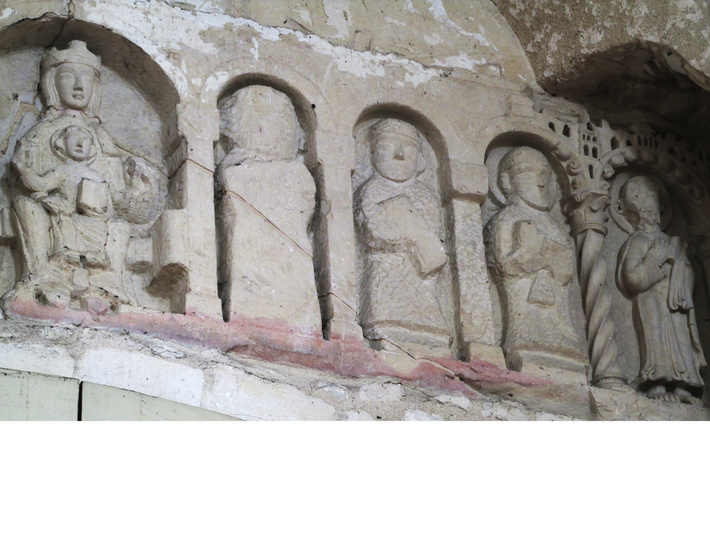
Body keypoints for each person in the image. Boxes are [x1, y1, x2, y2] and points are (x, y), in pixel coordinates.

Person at [9, 40, 163, 309]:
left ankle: (109, 283)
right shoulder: (41, 131)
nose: (79, 86)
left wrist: (139, 188)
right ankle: (40, 274)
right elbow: (31, 182)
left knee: (119, 227)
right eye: (68, 76)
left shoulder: (101, 139)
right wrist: (45, 197)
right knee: (25, 206)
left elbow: (117, 196)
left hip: (95, 219)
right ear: (51, 84)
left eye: (87, 79)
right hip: (56, 212)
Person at [354, 118, 453, 355]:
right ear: (372, 154)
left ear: (420, 160)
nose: (399, 155)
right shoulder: (371, 189)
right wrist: (404, 229)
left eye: (408, 147)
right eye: (388, 145)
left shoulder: (425, 195)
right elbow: (371, 230)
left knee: (426, 313)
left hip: (421, 276)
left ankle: (429, 337)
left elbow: (434, 237)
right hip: (385, 270)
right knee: (385, 312)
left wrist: (417, 234)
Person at [485, 147, 587, 371]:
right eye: (528, 173)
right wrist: (530, 253)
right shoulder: (506, 218)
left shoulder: (557, 228)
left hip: (557, 310)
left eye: (546, 175)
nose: (541, 182)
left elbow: (566, 269)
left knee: (563, 334)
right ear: (507, 182)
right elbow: (504, 266)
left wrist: (545, 252)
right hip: (524, 309)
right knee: (527, 332)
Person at [617, 175, 706, 404]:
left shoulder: (675, 242)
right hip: (651, 300)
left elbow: (692, 278)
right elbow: (632, 279)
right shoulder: (638, 241)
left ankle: (684, 388)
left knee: (681, 338)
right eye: (640, 199)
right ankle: (656, 384)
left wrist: (681, 269)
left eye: (651, 197)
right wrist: (656, 262)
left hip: (677, 301)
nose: (647, 204)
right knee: (656, 338)